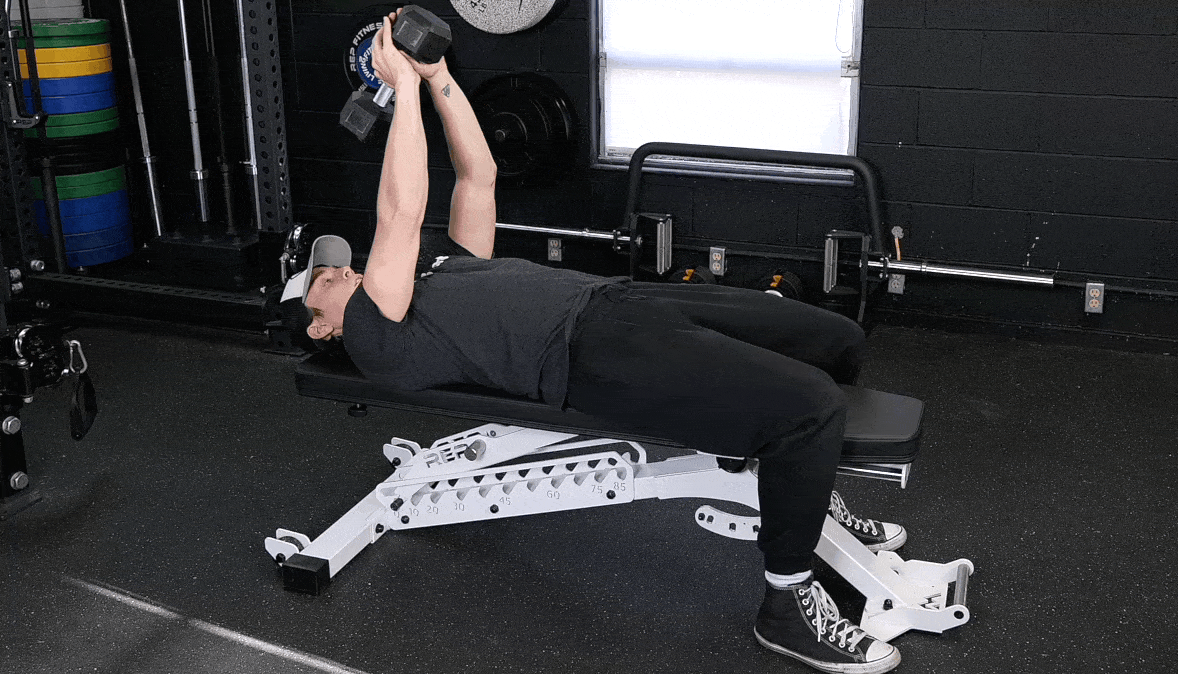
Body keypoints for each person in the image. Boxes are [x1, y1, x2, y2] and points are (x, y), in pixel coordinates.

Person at [283, 10, 907, 674]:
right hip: (595, 355)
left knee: (834, 340)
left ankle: (807, 495)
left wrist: (437, 77)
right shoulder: (376, 333)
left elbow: (478, 175)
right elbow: (399, 213)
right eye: (325, 278)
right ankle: (786, 604)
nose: (342, 270)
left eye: (337, 263)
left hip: (619, 300)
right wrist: (403, 89)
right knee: (810, 406)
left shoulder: (432, 271)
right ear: (321, 326)